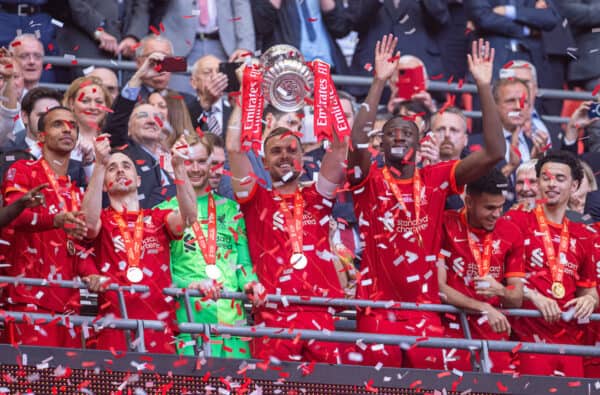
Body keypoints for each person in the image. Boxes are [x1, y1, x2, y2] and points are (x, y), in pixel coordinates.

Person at [347, 36, 505, 368]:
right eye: (392, 132)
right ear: (382, 142)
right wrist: (378, 81)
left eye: (408, 132)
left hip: (425, 311)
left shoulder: (434, 178)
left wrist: (483, 86)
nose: (400, 135)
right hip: (377, 310)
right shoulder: (370, 181)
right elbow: (356, 141)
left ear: (420, 144)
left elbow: (494, 153)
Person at [226, 61, 350, 363]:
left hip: (319, 310)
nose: (285, 156)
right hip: (273, 313)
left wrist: (323, 86)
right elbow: (234, 148)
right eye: (276, 151)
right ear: (264, 163)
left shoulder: (317, 197)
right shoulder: (255, 200)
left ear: (303, 158)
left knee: (328, 389)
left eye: (292, 150)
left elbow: (340, 147)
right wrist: (247, 92)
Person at [81, 133, 197, 353]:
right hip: (114, 326)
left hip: (159, 325)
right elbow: (87, 225)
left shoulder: (158, 218)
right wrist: (99, 165)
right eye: (112, 168)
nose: (120, 170)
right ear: (105, 184)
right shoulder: (102, 220)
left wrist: (180, 168)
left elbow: (189, 218)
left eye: (126, 166)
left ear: (139, 179)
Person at [157, 132, 264, 357]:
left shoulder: (231, 209)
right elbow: (162, 274)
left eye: (201, 161)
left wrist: (251, 283)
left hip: (231, 321)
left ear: (211, 165)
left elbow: (243, 262)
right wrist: (191, 284)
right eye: (188, 162)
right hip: (188, 320)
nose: (195, 169)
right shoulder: (163, 211)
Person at [0, 106, 94, 347]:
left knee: (65, 384)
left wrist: (91, 272)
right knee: (27, 381)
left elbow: (77, 246)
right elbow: (13, 218)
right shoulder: (22, 171)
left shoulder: (75, 191)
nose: (67, 129)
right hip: (27, 297)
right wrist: (54, 220)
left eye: (72, 125)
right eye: (58, 124)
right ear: (40, 136)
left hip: (69, 304)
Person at [505, 150, 599, 377]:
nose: (551, 184)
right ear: (537, 183)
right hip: (525, 341)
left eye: (560, 178)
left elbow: (590, 291)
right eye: (545, 178)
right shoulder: (515, 221)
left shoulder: (584, 234)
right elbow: (498, 279)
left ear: (575, 185)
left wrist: (588, 299)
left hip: (570, 346)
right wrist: (532, 296)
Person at [439, 169, 524, 373]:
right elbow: (438, 287)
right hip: (451, 333)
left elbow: (517, 298)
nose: (497, 214)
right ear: (468, 201)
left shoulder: (511, 232)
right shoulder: (445, 224)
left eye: (500, 207)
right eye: (489, 208)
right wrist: (483, 307)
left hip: (494, 335)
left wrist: (501, 291)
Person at [103, 52, 180, 208]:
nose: (151, 121)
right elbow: (117, 120)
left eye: (157, 117)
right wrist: (139, 77)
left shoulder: (174, 157)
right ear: (129, 128)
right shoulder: (124, 151)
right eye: (142, 116)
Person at [160, 0, 255, 95]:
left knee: (222, 98)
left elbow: (241, 5)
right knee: (177, 97)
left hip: (222, 46)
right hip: (178, 43)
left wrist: (245, 46)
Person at [63, 75, 113, 169]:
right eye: (85, 101)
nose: (93, 107)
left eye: (99, 102)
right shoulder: (63, 139)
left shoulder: (113, 141)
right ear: (71, 104)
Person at [187, 55, 231, 136]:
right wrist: (206, 102)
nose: (215, 76)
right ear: (194, 82)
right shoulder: (185, 110)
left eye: (219, 72)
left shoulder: (233, 110)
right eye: (207, 72)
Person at [133, 35, 175, 100]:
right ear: (138, 63)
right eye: (153, 58)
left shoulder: (187, 101)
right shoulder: (128, 97)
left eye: (166, 58)